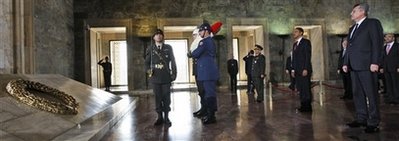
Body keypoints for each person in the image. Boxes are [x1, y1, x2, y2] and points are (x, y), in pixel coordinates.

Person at [342, 3, 384, 133]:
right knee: (357, 93)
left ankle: (373, 121)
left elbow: (377, 43)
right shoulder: (352, 28)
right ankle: (361, 118)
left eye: (353, 11)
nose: (351, 14)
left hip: (368, 65)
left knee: (371, 94)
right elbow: (350, 47)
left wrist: (375, 62)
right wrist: (345, 62)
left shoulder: (372, 23)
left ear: (362, 12)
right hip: (354, 66)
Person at [145, 29, 177, 127]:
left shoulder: (168, 47)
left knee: (166, 97)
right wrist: (148, 71)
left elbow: (173, 61)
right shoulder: (150, 48)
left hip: (166, 77)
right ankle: (159, 117)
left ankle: (166, 117)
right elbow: (146, 63)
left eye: (160, 34)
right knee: (158, 98)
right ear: (153, 37)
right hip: (155, 77)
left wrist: (174, 74)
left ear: (162, 36)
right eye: (156, 34)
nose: (158, 36)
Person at [191, 23, 220, 124]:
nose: (199, 33)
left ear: (206, 31)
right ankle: (209, 113)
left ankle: (211, 116)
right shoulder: (208, 41)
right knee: (207, 93)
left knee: (210, 94)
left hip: (208, 72)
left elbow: (195, 53)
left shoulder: (205, 42)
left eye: (201, 31)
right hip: (206, 72)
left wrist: (192, 53)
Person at [291, 27, 313, 112]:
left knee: (305, 88)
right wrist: (292, 69)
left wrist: (305, 68)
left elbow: (308, 56)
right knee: (300, 88)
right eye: (294, 32)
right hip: (297, 70)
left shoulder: (306, 42)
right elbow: (294, 58)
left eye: (296, 32)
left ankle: (307, 107)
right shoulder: (295, 44)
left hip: (304, 70)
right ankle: (303, 105)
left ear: (301, 33)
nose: (294, 33)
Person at [188, 28, 206, 118]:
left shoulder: (201, 43)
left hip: (202, 71)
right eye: (193, 35)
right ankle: (203, 108)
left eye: (195, 35)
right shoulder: (195, 44)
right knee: (200, 91)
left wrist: (191, 54)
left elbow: (195, 54)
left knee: (203, 91)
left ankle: (206, 109)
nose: (194, 37)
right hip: (197, 71)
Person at [380, 33, 399, 105]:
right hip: (386, 69)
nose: (387, 38)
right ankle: (390, 98)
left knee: (396, 84)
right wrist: (381, 67)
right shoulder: (384, 47)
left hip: (395, 68)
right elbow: (382, 58)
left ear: (393, 38)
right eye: (386, 37)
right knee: (388, 84)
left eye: (389, 37)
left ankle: (396, 99)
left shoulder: (397, 46)